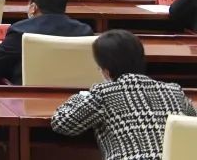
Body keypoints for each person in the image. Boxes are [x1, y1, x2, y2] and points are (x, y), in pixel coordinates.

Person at [51, 30, 196, 159]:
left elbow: (62, 123)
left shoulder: (103, 93)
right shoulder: (174, 90)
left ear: (106, 72)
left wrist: (82, 96)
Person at [0, 0, 93, 84]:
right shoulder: (84, 31)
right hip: (74, 93)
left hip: (27, 94)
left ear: (33, 7)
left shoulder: (21, 30)